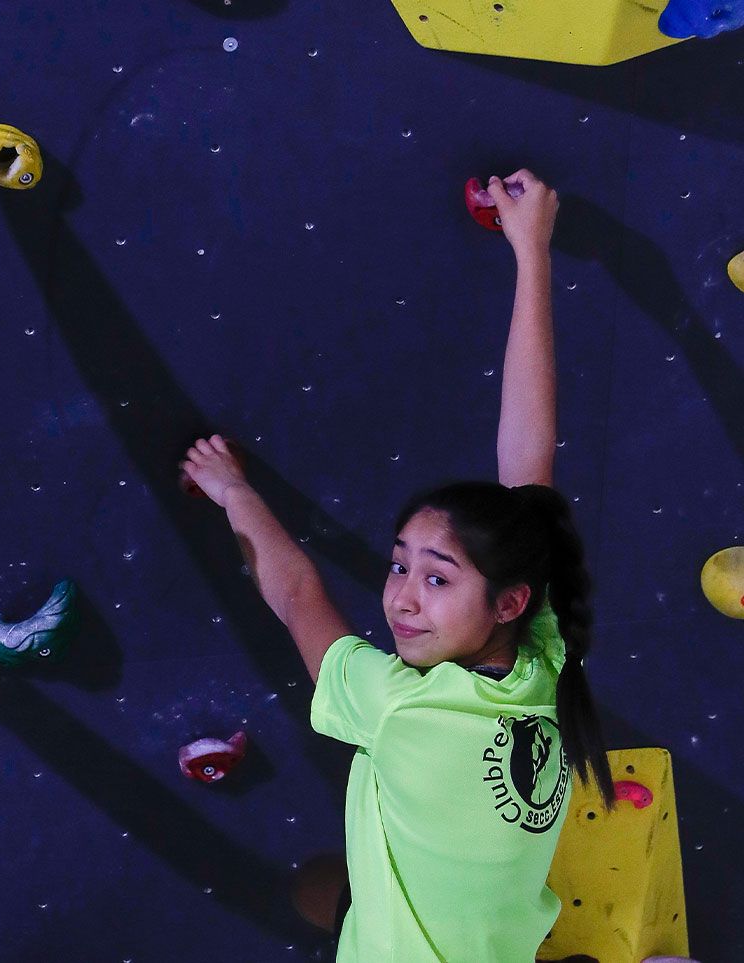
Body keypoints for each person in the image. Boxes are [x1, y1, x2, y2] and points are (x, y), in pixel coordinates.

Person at [180, 170, 613, 962]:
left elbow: (296, 590)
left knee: (316, 892)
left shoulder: (402, 710)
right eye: (401, 565)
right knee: (322, 892)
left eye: (437, 577)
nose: (402, 601)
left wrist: (231, 488)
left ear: (509, 599)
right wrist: (531, 252)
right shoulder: (542, 656)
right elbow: (528, 463)